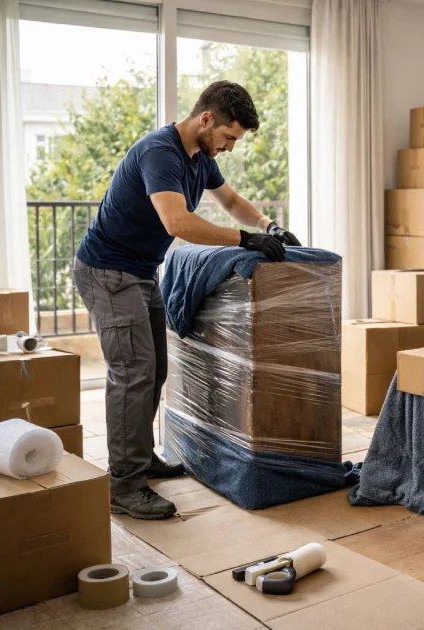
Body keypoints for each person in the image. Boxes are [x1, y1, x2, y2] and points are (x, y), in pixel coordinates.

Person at [71, 80, 302, 520]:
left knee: (154, 369)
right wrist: (244, 239)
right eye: (229, 136)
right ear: (206, 119)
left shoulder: (200, 157)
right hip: (107, 272)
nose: (230, 147)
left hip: (140, 271)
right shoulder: (160, 152)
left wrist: (268, 225)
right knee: (133, 374)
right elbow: (177, 223)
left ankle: (141, 459)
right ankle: (123, 485)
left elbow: (230, 200)